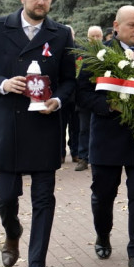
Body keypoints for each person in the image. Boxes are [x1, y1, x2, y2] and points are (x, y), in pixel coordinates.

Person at [0, 0, 77, 267]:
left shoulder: (60, 35)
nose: (41, 2)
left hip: (44, 128)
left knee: (44, 200)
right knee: (5, 197)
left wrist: (57, 100)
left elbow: (70, 81)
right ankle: (13, 232)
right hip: (7, 127)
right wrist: (3, 84)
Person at [78, 6, 134, 267]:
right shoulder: (98, 56)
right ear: (116, 25)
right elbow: (81, 95)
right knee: (103, 195)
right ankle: (102, 235)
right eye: (132, 25)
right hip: (107, 140)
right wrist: (108, 104)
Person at [74, 25, 103, 172]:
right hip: (85, 99)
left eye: (99, 36)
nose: (96, 39)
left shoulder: (107, 52)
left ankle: (101, 158)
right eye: (93, 36)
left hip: (102, 98)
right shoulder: (81, 54)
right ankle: (83, 158)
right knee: (84, 129)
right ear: (88, 37)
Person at [60, 25, 81, 165]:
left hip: (77, 96)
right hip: (61, 95)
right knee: (60, 127)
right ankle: (60, 154)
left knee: (76, 127)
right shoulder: (57, 48)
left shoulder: (80, 51)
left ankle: (76, 152)